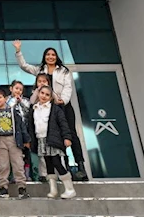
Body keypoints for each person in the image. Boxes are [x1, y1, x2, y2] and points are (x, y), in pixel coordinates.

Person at [14, 40, 88, 181]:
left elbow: (68, 87)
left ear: (56, 56)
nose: (50, 57)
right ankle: (63, 168)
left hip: (63, 106)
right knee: (53, 137)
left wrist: (63, 100)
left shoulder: (64, 71)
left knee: (71, 134)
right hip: (47, 108)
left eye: (53, 55)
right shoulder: (40, 70)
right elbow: (24, 66)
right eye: (48, 55)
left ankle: (81, 167)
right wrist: (18, 51)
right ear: (44, 57)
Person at [28, 85, 77, 199]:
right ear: (38, 94)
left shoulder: (55, 109)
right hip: (41, 140)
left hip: (53, 139)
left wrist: (67, 137)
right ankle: (53, 189)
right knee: (48, 164)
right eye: (42, 93)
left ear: (51, 97)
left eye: (47, 95)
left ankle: (70, 189)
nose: (44, 96)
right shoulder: (34, 108)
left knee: (56, 162)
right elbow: (31, 126)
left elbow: (63, 123)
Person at [0, 88, 30, 199]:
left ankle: (21, 187)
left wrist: (26, 139)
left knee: (18, 163)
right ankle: (3, 187)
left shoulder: (13, 111)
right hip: (0, 141)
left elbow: (21, 125)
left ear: (5, 99)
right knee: (2, 165)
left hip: (14, 140)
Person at [30, 73, 53, 181]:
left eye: (44, 81)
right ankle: (43, 175)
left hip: (50, 135)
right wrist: (38, 90)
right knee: (42, 156)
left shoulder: (52, 105)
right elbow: (31, 101)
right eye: (39, 81)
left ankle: (54, 175)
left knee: (53, 156)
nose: (42, 83)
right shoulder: (35, 104)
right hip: (39, 135)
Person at [8, 80, 33, 180]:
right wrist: (15, 100)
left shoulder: (25, 100)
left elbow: (28, 110)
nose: (18, 91)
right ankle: (14, 175)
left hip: (25, 130)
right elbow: (8, 108)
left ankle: (26, 174)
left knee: (26, 154)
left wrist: (21, 101)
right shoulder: (7, 100)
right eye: (16, 88)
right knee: (14, 154)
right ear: (11, 89)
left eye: (20, 89)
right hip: (13, 131)